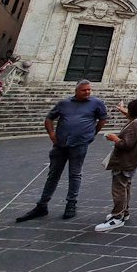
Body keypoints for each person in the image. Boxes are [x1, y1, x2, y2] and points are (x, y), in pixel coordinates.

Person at [16, 80, 108, 222]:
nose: (88, 92)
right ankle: (42, 205)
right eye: (84, 90)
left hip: (80, 144)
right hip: (60, 144)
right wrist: (52, 135)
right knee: (53, 174)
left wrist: (91, 134)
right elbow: (49, 118)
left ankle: (71, 204)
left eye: (89, 90)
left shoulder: (96, 103)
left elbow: (102, 119)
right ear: (76, 91)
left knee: (75, 174)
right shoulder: (64, 103)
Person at [95, 99, 137, 232]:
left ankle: (117, 217)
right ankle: (124, 212)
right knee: (126, 186)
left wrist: (114, 138)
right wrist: (123, 110)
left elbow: (126, 144)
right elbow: (135, 119)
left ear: (132, 111)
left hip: (125, 161)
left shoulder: (136, 125)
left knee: (119, 188)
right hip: (134, 160)